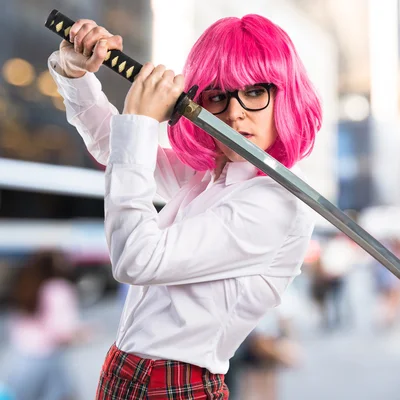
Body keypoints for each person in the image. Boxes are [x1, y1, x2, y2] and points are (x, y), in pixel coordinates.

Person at [48, 13, 321, 399]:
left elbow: (135, 259)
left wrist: (141, 120)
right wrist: (75, 76)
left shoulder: (275, 204)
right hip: (124, 374)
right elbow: (117, 148)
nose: (235, 112)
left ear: (285, 96)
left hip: (175, 387)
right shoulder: (210, 175)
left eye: (255, 92)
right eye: (217, 96)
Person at [4, 250, 87, 400]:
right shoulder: (58, 288)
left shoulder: (26, 284)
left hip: (21, 359)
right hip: (48, 360)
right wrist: (85, 333)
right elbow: (63, 331)